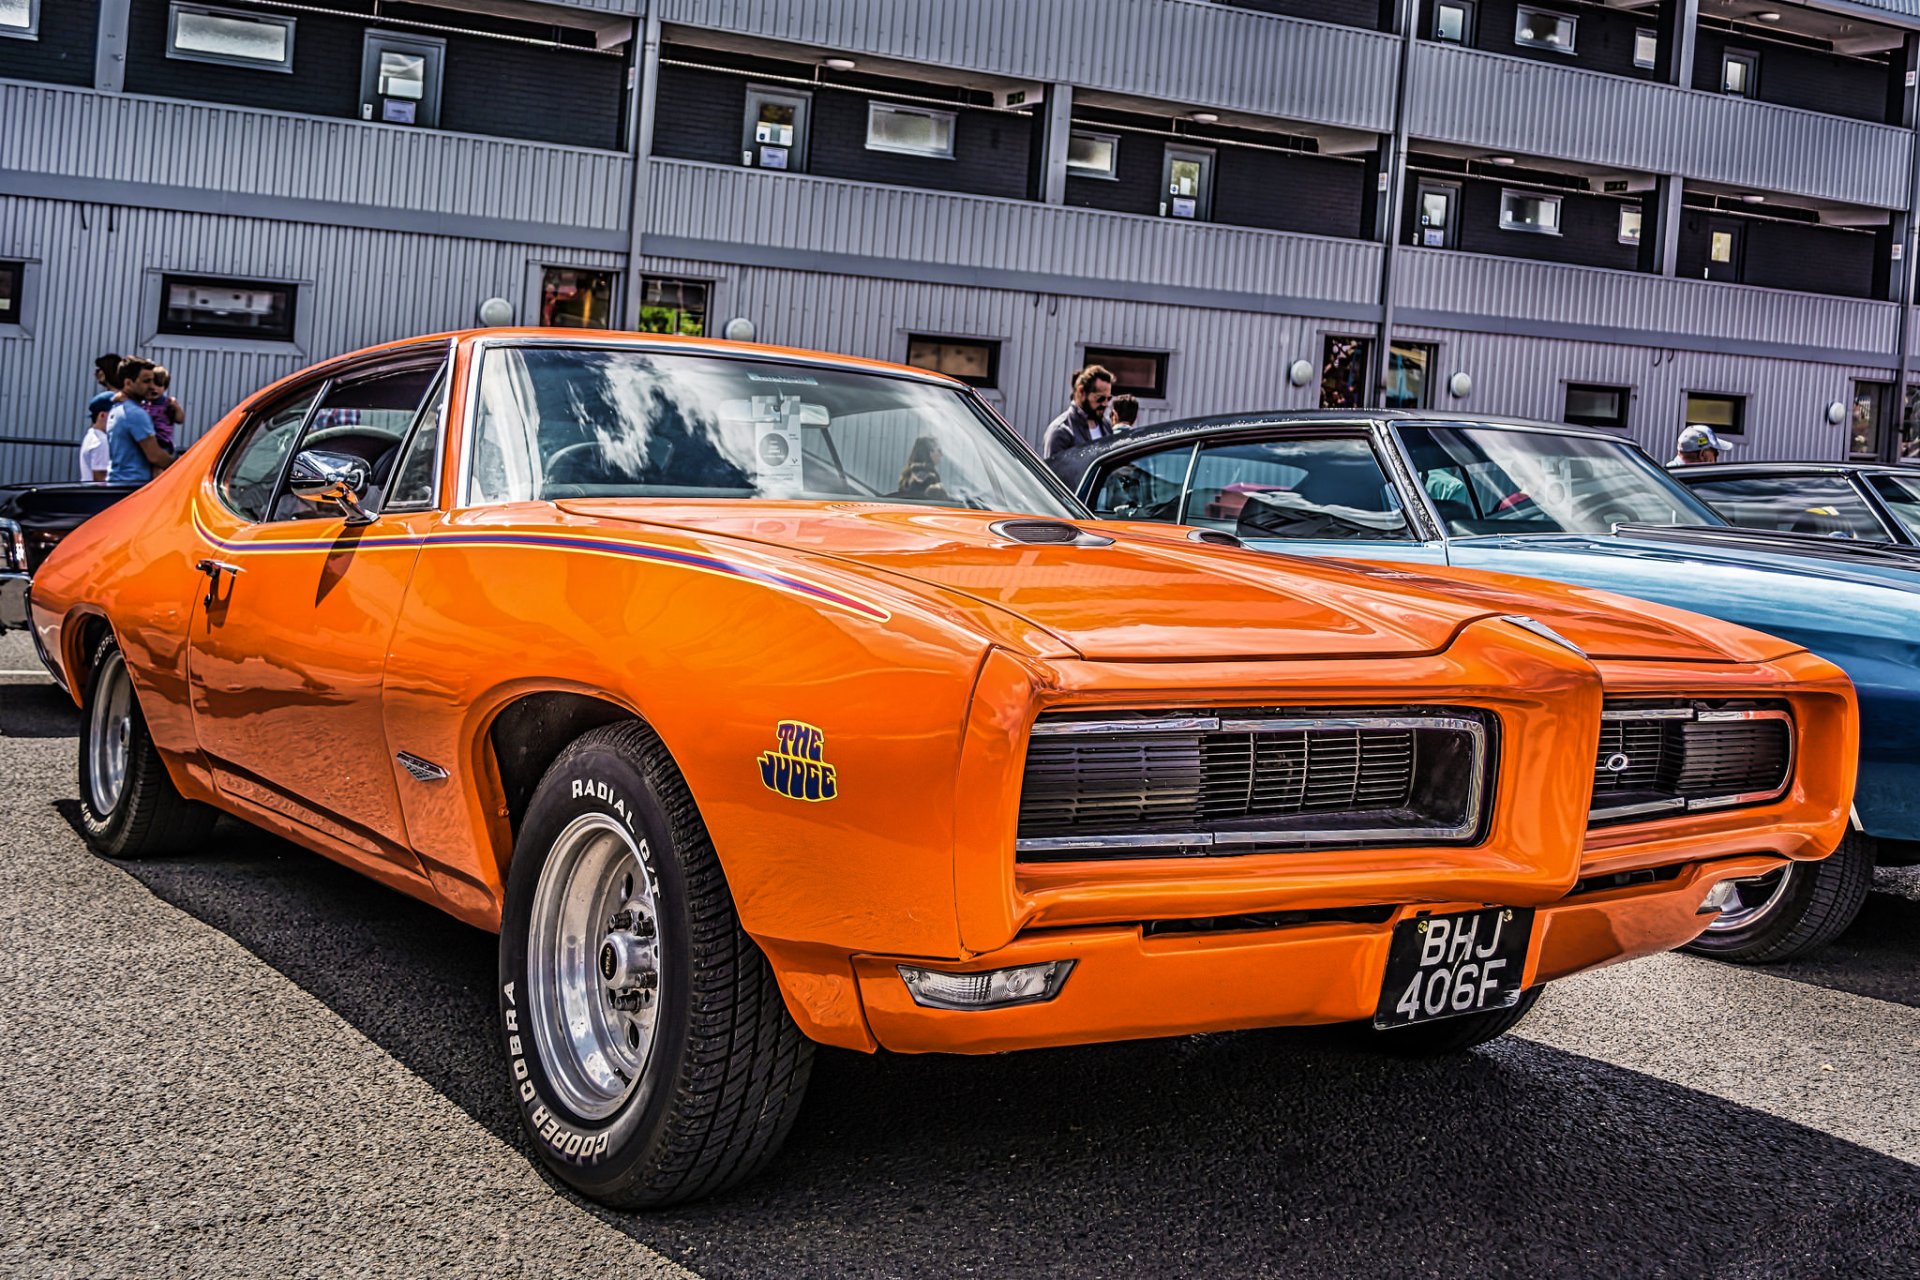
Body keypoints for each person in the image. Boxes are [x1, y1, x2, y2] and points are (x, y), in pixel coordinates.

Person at [105, 358, 173, 485]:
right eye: (146, 381)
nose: (152, 386)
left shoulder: (117, 408)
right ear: (128, 383)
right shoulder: (135, 413)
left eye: (154, 381)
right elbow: (155, 456)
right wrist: (180, 464)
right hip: (132, 487)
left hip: (118, 483)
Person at [1041, 365, 1114, 461]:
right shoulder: (1061, 431)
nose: (1105, 404)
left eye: (1109, 398)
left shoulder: (1106, 426)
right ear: (1081, 392)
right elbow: (1053, 472)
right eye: (1100, 398)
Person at [143, 364, 185, 453]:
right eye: (150, 386)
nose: (154, 388)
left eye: (158, 385)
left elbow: (179, 420)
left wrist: (176, 408)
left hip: (163, 442)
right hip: (147, 440)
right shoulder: (143, 402)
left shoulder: (167, 403)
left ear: (165, 388)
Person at [896, 436, 948, 500]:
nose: (941, 454)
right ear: (930, 453)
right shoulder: (929, 477)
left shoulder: (909, 473)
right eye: (939, 450)